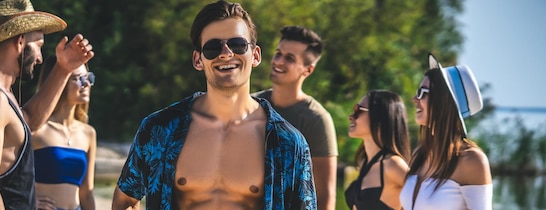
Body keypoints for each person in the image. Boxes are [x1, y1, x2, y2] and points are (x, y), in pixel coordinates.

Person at [111, 1, 316, 209]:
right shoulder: (158, 130)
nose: (226, 53)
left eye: (237, 44)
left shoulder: (288, 144)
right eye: (212, 47)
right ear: (198, 60)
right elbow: (125, 200)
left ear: (255, 55)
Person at [0, 0, 94, 209]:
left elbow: (28, 122)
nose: (39, 59)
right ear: (20, 42)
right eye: (38, 46)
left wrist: (63, 69)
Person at [252, 25, 337, 209]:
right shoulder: (252, 105)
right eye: (278, 53)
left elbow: (325, 194)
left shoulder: (316, 120)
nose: (278, 61)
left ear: (308, 70)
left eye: (289, 58)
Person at [399, 54, 492, 210]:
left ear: (445, 101)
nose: (415, 99)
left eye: (423, 93)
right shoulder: (419, 155)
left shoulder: (472, 160)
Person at [32, 55, 97, 210]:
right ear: (58, 82)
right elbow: (7, 176)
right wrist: (29, 201)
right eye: (78, 79)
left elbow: (87, 193)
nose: (86, 84)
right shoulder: (36, 129)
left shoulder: (88, 133)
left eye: (88, 78)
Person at [343, 90, 411, 210]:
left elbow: (425, 201)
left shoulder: (393, 165)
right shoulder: (364, 162)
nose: (351, 117)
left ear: (380, 118)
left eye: (359, 110)